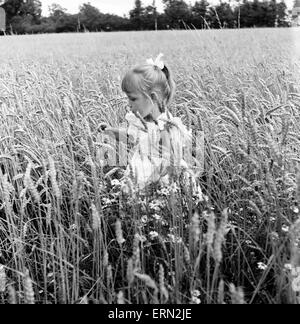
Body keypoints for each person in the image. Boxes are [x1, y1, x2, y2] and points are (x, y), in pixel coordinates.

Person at [101, 54, 202, 195]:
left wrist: (153, 183)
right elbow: (131, 138)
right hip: (139, 173)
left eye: (133, 98)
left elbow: (171, 160)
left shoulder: (165, 126)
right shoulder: (138, 121)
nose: (129, 104)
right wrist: (111, 131)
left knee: (154, 208)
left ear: (153, 98)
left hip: (158, 181)